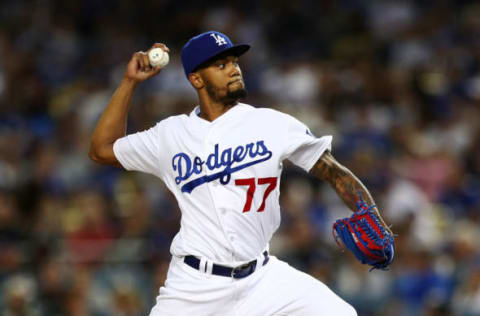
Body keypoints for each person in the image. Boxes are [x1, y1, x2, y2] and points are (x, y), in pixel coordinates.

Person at [89, 31, 389, 316]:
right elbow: (101, 149)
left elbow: (334, 173)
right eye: (221, 65)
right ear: (196, 78)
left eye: (234, 62)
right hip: (195, 286)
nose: (234, 69)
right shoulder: (170, 134)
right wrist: (130, 82)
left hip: (262, 278)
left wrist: (372, 213)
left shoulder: (272, 124)